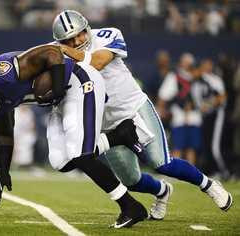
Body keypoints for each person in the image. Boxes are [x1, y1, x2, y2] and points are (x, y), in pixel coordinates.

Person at [52, 10, 233, 218]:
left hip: (134, 109)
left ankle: (209, 185)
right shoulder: (58, 56)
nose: (77, 41)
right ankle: (162, 191)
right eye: (70, 39)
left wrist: (62, 50)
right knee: (131, 181)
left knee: (162, 163)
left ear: (87, 28)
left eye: (80, 34)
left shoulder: (107, 35)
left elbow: (97, 62)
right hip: (108, 126)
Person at [0, 45, 148, 228]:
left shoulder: (4, 73)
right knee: (60, 161)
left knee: (80, 155)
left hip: (77, 81)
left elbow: (52, 53)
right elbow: (4, 131)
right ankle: (119, 136)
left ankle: (130, 206)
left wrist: (57, 88)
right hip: (61, 98)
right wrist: (3, 169)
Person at [158, 53, 202, 165]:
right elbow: (164, 94)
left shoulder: (198, 78)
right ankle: (176, 172)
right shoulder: (174, 76)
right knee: (178, 146)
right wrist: (161, 109)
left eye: (189, 63)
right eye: (185, 62)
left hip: (194, 115)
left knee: (192, 147)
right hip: (179, 115)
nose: (187, 65)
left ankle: (192, 174)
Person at [192, 59, 230, 178]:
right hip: (205, 116)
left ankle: (225, 172)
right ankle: (214, 171)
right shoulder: (196, 84)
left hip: (216, 114)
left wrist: (209, 104)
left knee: (215, 146)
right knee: (207, 145)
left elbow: (222, 97)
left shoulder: (213, 79)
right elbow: (198, 103)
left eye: (209, 65)